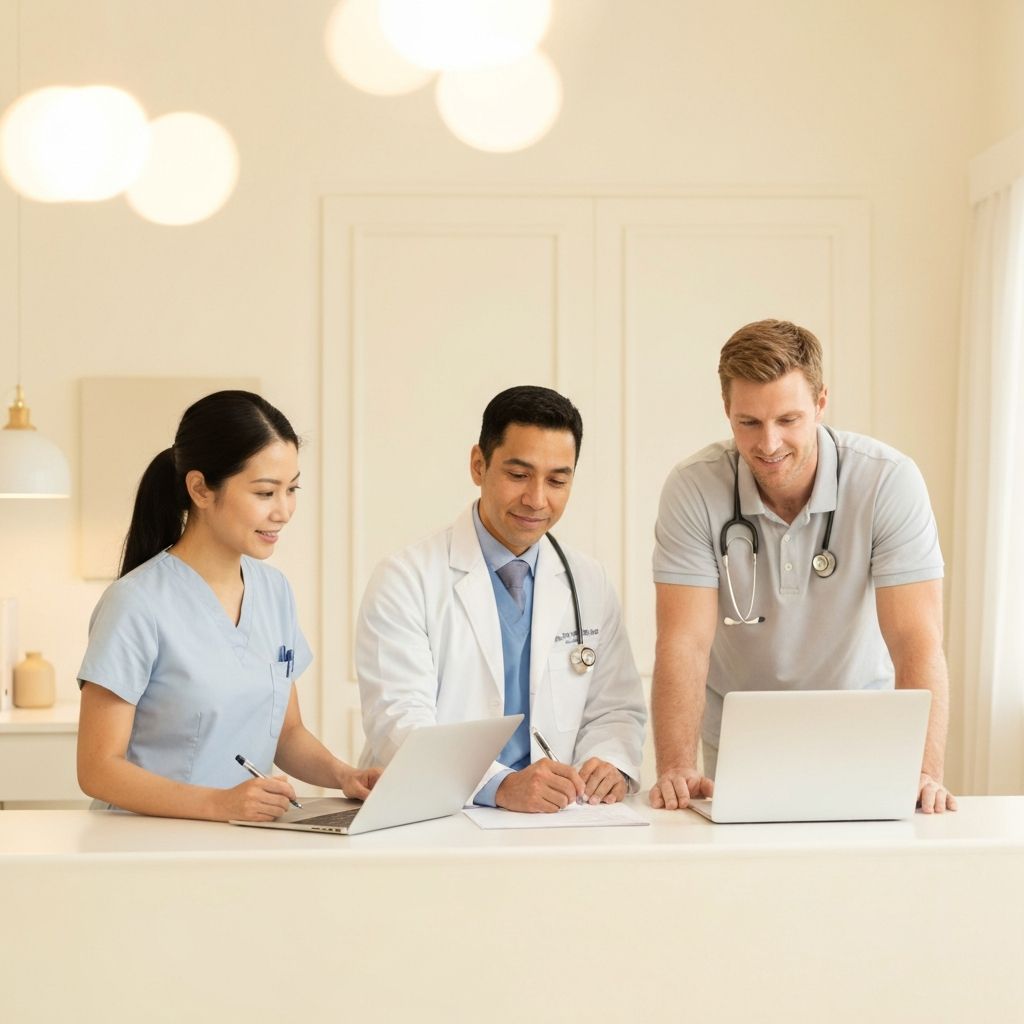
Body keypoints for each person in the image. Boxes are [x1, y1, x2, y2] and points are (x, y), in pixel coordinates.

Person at [649, 320, 957, 814]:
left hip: (867, 735)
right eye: (749, 422)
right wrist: (676, 767)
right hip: (742, 743)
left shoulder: (887, 481)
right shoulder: (693, 488)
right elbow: (684, 641)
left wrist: (923, 770)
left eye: (788, 420)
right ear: (727, 411)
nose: (768, 445)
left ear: (820, 403)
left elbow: (916, 640)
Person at [77, 390, 380, 821]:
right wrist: (218, 803)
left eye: (291, 489)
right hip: (145, 846)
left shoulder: (274, 591)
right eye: (265, 492)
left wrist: (343, 775)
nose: (284, 511)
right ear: (200, 489)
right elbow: (97, 769)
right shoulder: (136, 603)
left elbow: (287, 733)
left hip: (242, 840)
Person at [357, 385, 646, 813]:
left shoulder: (588, 581)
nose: (537, 499)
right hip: (434, 815)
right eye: (518, 475)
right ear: (479, 464)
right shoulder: (406, 578)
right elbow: (399, 721)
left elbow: (615, 707)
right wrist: (500, 785)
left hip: (557, 819)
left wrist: (610, 763)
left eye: (557, 480)